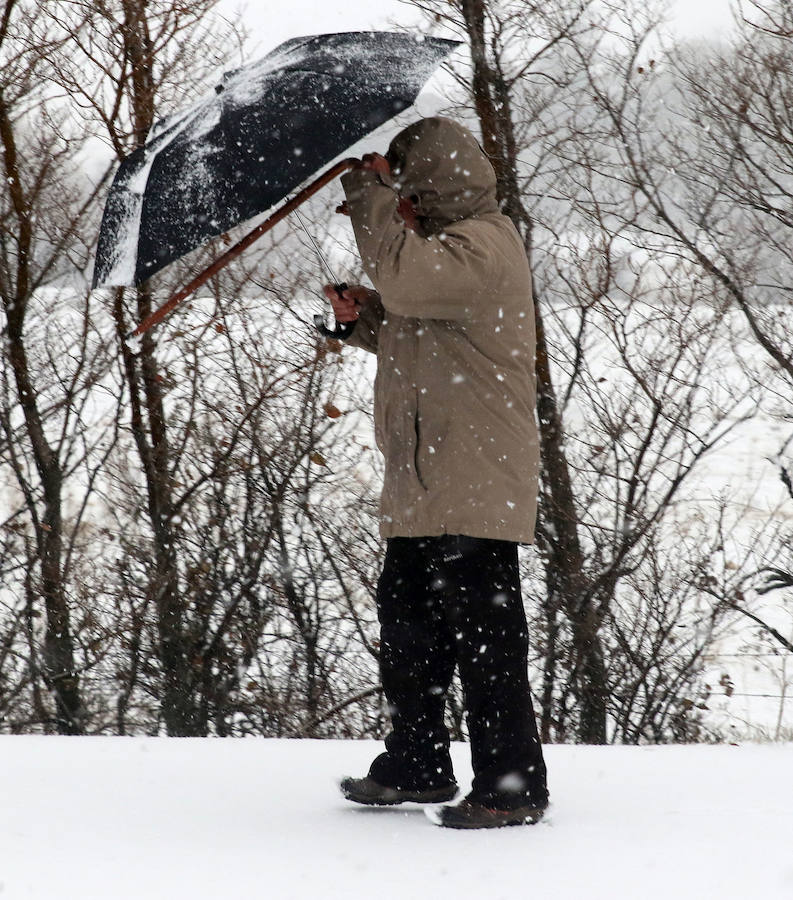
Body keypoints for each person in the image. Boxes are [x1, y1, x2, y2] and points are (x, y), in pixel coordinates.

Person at [325, 116, 548, 829]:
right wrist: (363, 320)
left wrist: (369, 197)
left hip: (473, 485)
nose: (406, 210)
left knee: (486, 649)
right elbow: (417, 324)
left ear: (433, 186)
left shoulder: (485, 243)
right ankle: (417, 765)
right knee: (410, 637)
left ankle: (510, 788)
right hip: (426, 488)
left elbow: (413, 285)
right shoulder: (444, 254)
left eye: (410, 194)